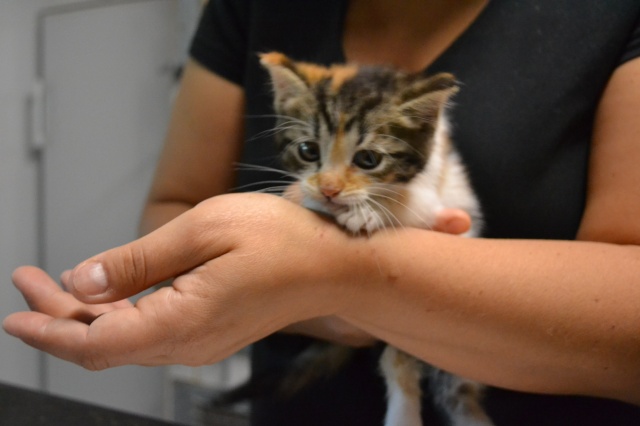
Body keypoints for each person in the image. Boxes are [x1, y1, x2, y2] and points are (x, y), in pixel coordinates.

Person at [4, 0, 640, 424]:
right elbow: (173, 207)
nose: (332, 182)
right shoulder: (253, 8)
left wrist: (343, 276)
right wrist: (309, 297)